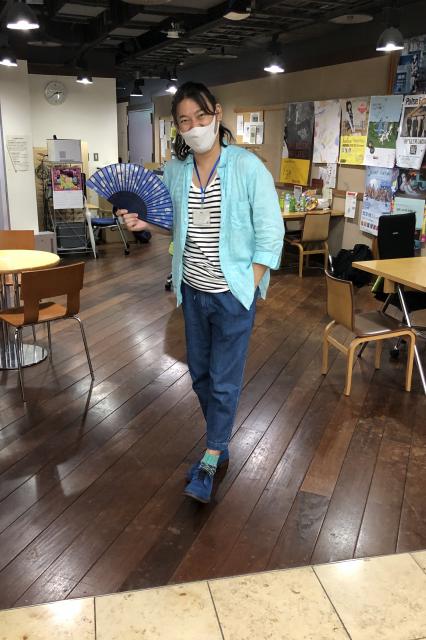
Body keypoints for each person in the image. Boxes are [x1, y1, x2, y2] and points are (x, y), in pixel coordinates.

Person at [121, 82, 284, 503]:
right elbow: (174, 224)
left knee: (225, 380)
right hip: (191, 291)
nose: (194, 127)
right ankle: (220, 441)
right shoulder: (177, 171)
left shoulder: (247, 167)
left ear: (218, 114)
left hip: (233, 295)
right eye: (184, 121)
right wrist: (144, 224)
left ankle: (211, 457)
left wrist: (247, 283)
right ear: (177, 127)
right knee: (200, 375)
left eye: (201, 116)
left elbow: (271, 234)